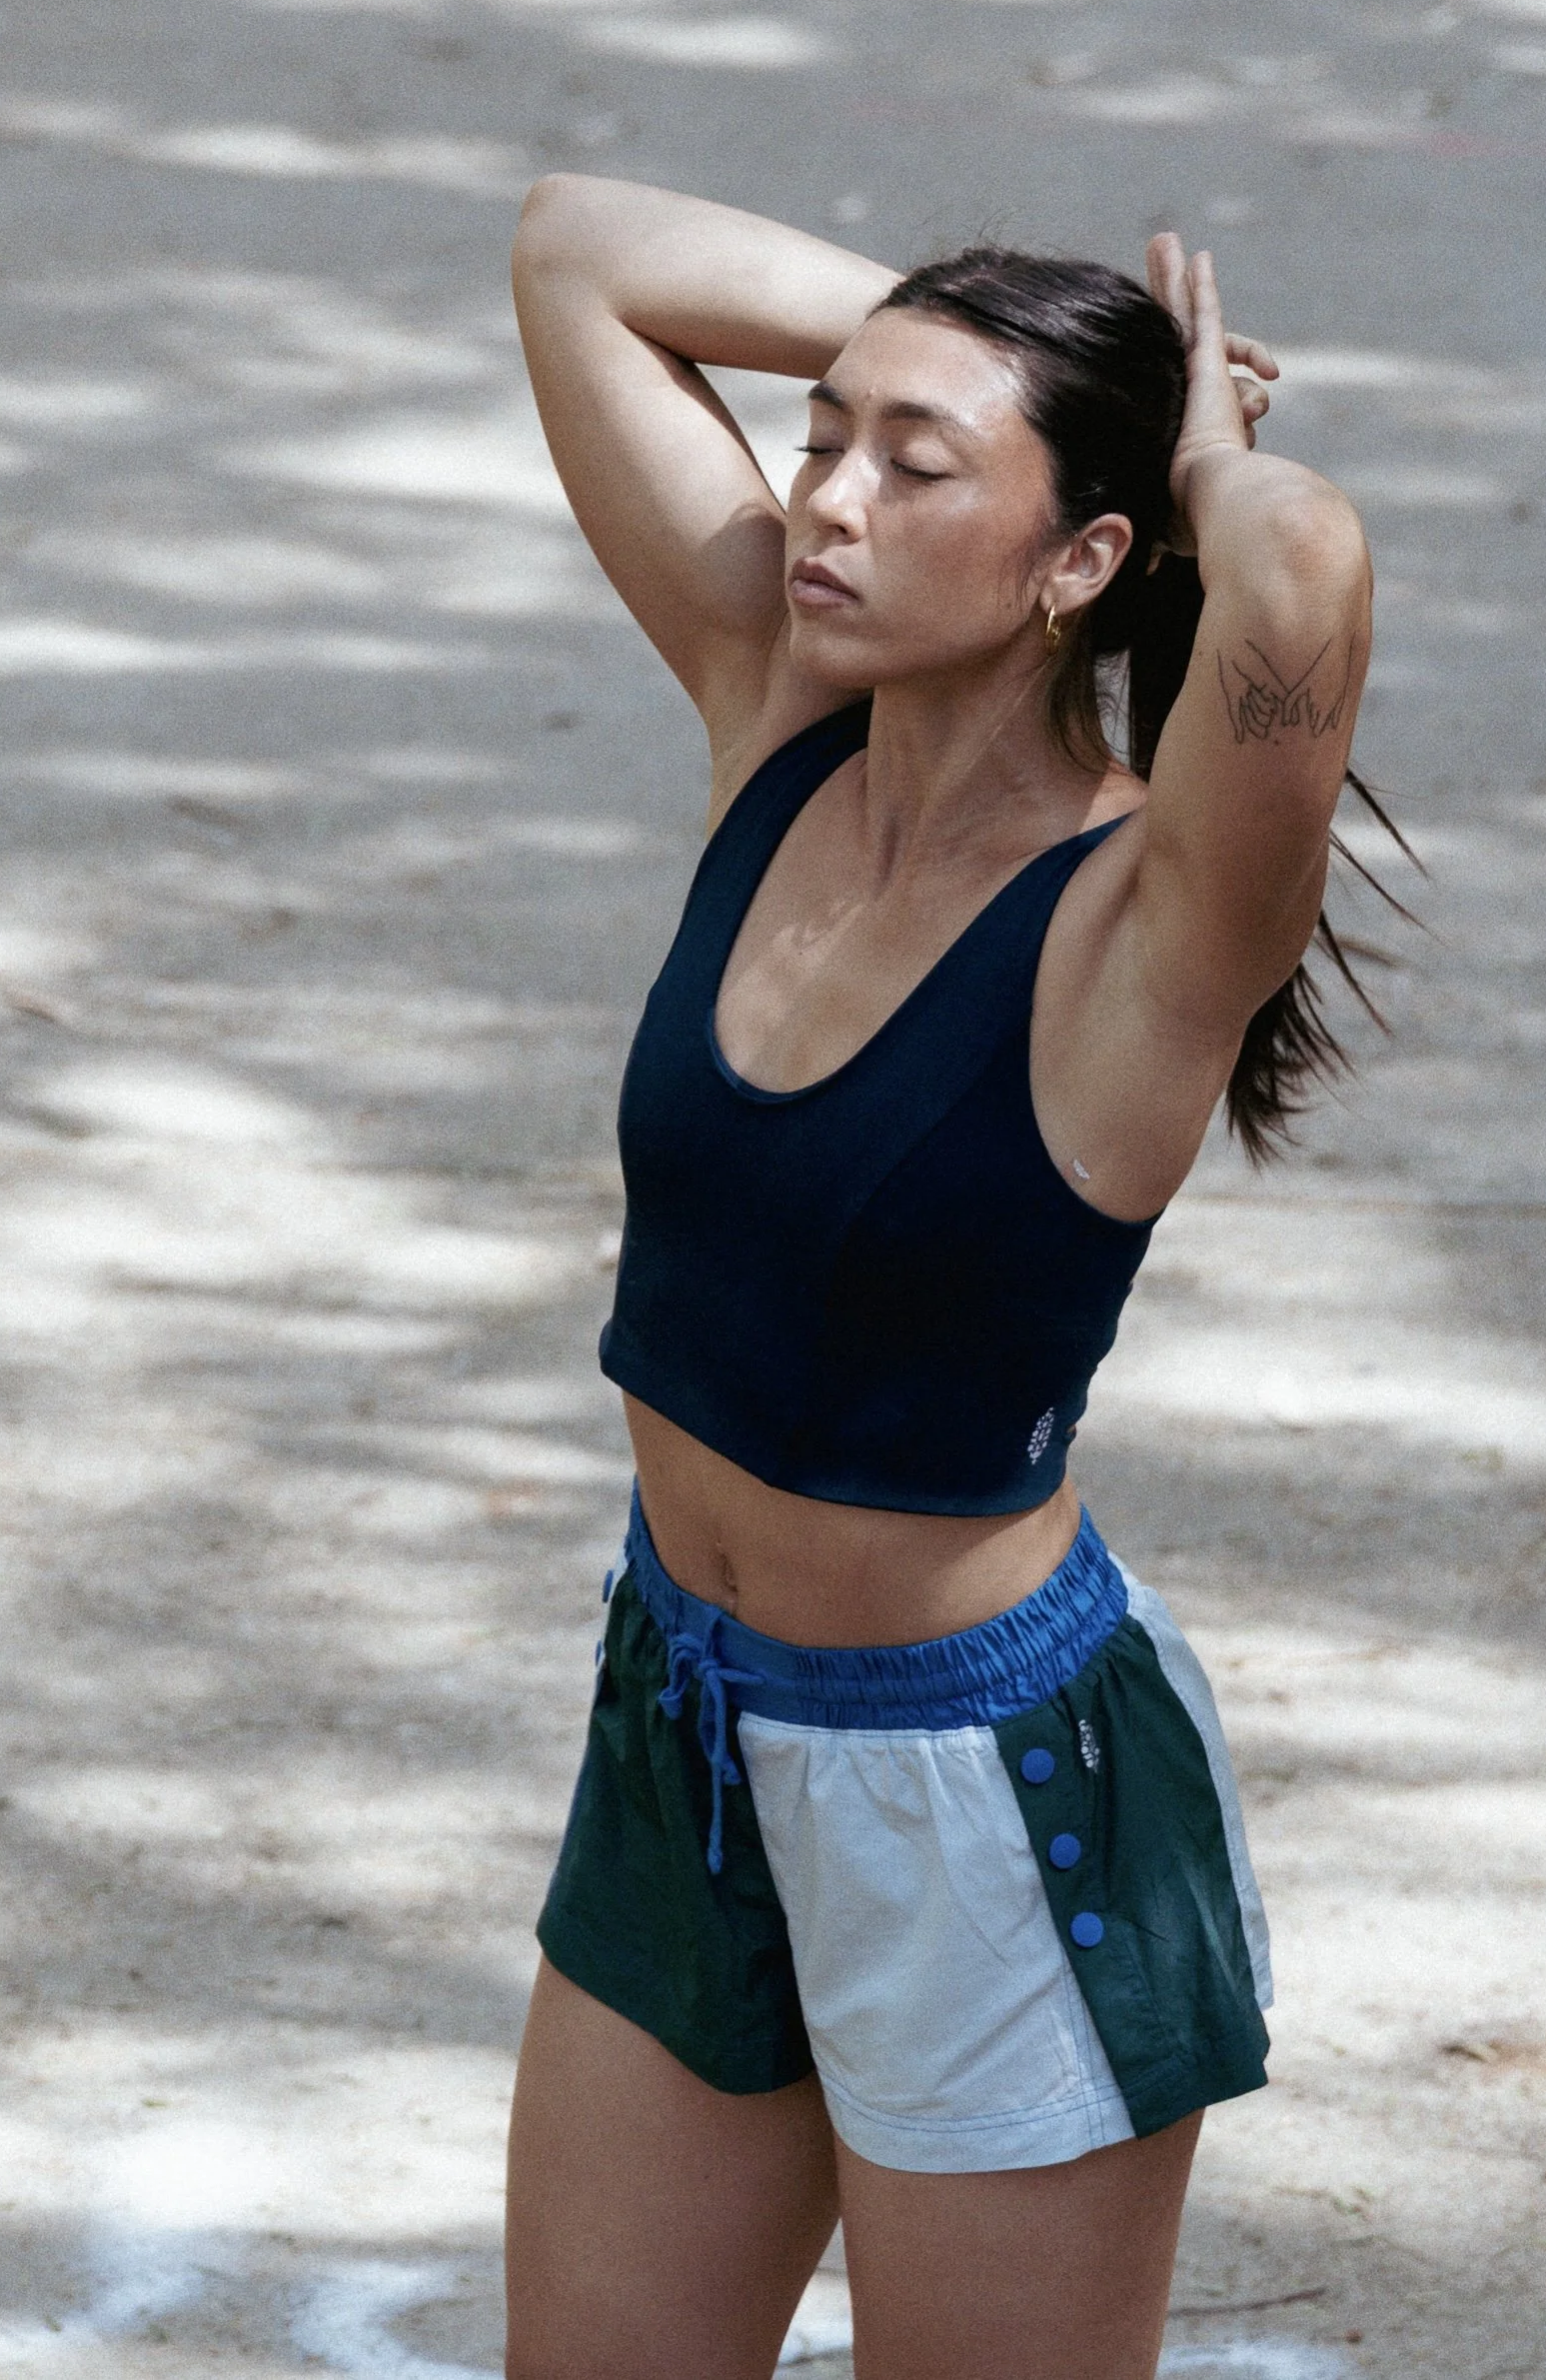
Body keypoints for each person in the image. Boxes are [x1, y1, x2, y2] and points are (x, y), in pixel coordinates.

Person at [503, 180, 1376, 2380]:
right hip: (686, 1718)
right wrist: (945, 351)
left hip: (991, 1804)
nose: (830, 499)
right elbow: (576, 249)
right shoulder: (772, 727)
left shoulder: (1145, 926)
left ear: (1086, 557)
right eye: (824, 435)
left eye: (919, 466)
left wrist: (1192, 439)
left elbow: (1307, 577)